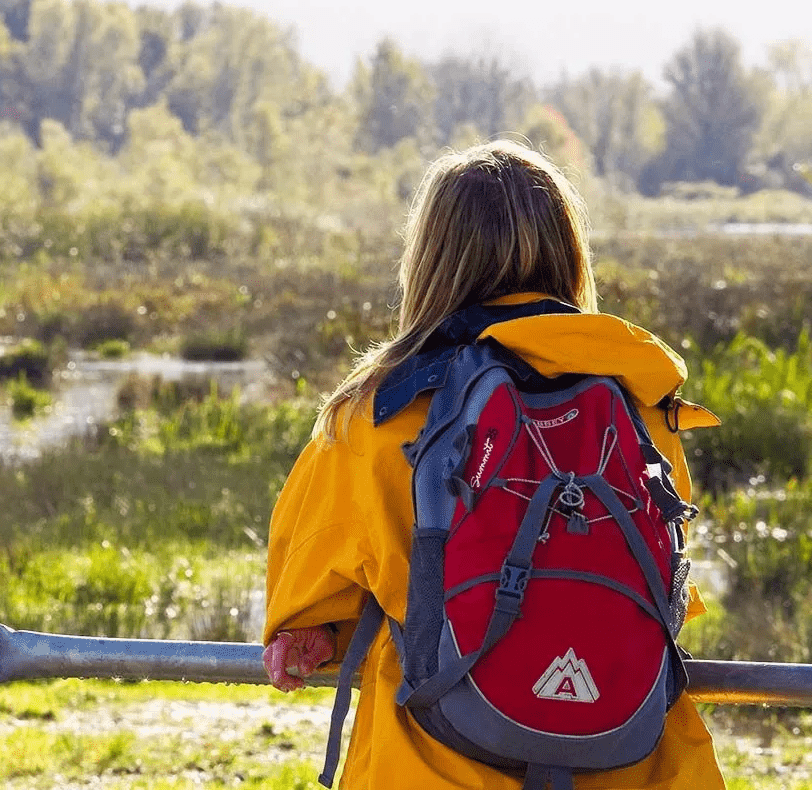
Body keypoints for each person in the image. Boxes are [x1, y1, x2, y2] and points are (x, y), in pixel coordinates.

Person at [262, 139, 726, 789]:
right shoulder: (639, 399)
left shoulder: (379, 411)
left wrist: (313, 631)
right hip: (635, 762)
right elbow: (668, 581)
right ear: (569, 248)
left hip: (432, 766)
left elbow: (308, 593)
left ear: (430, 259)